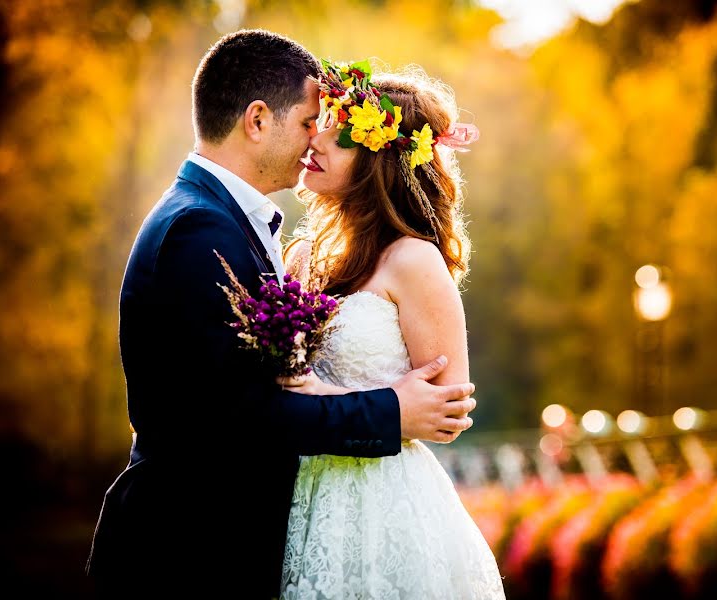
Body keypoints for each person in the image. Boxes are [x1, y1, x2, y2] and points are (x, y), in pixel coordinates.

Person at [84, 30, 478, 598]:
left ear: (376, 159)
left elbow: (446, 399)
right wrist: (386, 412)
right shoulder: (204, 229)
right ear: (258, 120)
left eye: (330, 133)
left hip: (350, 513)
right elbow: (235, 413)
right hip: (189, 547)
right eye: (307, 124)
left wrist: (362, 404)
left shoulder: (233, 223)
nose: (313, 141)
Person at [277, 61, 506, 598]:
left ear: (380, 158)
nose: (318, 138)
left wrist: (327, 395)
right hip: (301, 495)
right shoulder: (301, 257)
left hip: (381, 503)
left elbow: (447, 414)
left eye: (342, 133)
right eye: (322, 122)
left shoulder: (413, 262)